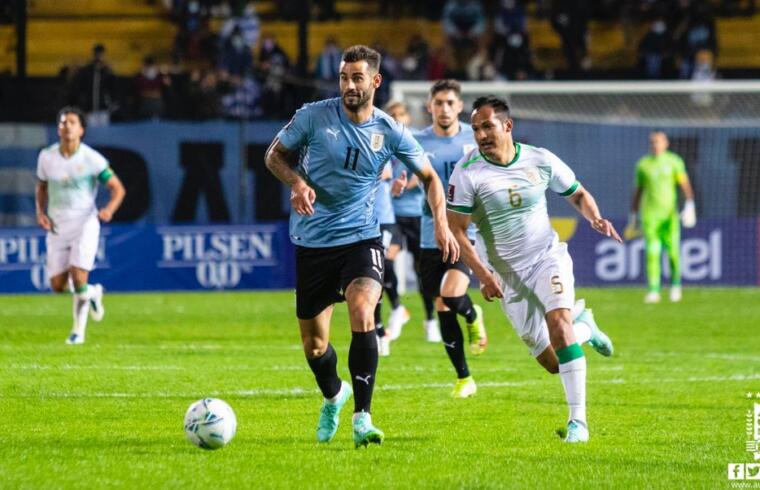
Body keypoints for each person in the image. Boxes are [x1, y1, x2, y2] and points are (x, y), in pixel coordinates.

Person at [264, 45, 459, 448]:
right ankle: (336, 396)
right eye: (343, 77)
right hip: (313, 240)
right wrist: (297, 183)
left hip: (361, 236)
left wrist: (441, 223)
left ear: (375, 81)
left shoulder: (390, 130)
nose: (349, 85)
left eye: (357, 77)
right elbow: (274, 156)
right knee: (315, 347)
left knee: (362, 309)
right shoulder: (313, 116)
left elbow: (430, 178)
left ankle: (362, 417)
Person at [446, 95, 616, 443]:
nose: (480, 135)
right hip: (507, 276)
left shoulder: (540, 159)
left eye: (488, 126)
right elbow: (456, 229)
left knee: (559, 323)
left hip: (546, 258)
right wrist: (483, 274)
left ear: (507, 126)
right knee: (554, 363)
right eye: (476, 128)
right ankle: (587, 329)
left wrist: (594, 216)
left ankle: (578, 424)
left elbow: (577, 193)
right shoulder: (467, 173)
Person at [397, 79, 487, 399]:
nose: (444, 109)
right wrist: (400, 183)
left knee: (449, 296)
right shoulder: (417, 141)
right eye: (439, 103)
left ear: (459, 106)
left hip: (464, 232)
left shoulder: (473, 139)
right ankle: (464, 378)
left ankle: (473, 314)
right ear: (430, 107)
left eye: (450, 103)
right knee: (442, 306)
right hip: (428, 233)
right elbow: (406, 174)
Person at [35, 106, 126, 345]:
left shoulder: (92, 159)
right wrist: (40, 212)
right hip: (57, 225)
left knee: (78, 276)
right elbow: (42, 186)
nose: (67, 126)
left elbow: (117, 188)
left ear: (81, 130)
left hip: (85, 222)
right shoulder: (46, 156)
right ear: (58, 129)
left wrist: (108, 209)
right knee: (57, 285)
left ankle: (78, 332)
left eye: (72, 122)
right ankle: (93, 292)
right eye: (63, 122)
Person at [384, 101, 437, 341]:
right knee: (385, 260)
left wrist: (406, 185)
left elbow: (425, 173)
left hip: (417, 213)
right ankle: (397, 308)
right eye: (392, 114)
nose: (396, 118)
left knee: (422, 270)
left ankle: (430, 320)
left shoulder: (417, 140)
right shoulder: (381, 140)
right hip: (391, 214)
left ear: (408, 117)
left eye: (401, 114)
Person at [625, 131, 696, 304]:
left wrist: (690, 205)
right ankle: (654, 290)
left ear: (666, 143)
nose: (655, 145)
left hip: (670, 215)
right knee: (652, 253)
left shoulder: (674, 161)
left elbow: (684, 184)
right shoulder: (643, 164)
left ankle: (675, 285)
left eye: (658, 142)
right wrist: (633, 214)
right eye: (652, 142)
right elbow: (638, 190)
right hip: (650, 216)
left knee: (673, 253)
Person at [373, 159, 398, 357]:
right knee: (370, 277)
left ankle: (380, 330)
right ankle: (377, 330)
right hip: (360, 221)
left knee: (381, 269)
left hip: (383, 220)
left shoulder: (378, 144)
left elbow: (386, 173)